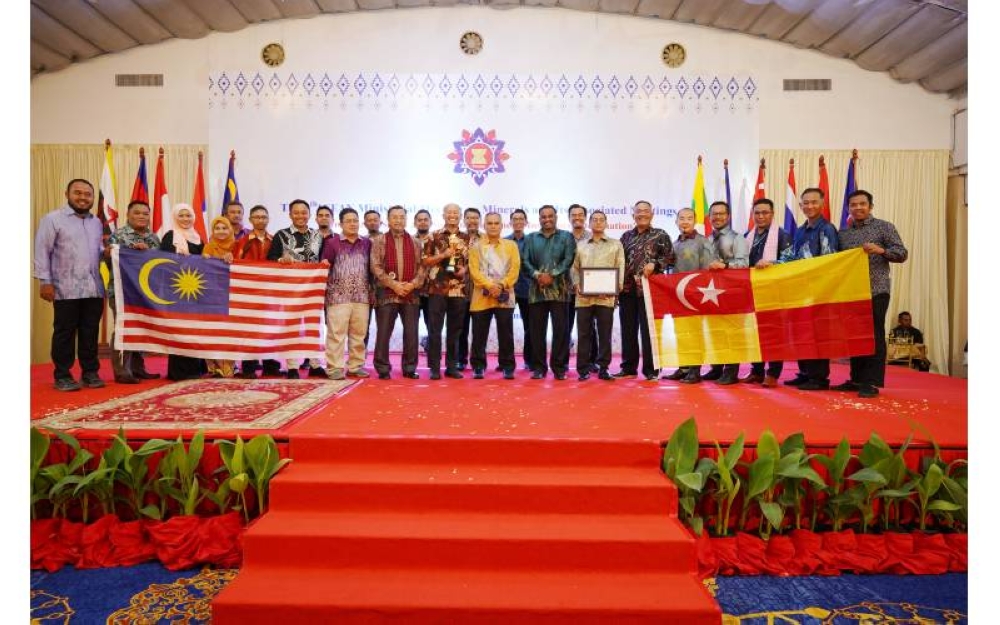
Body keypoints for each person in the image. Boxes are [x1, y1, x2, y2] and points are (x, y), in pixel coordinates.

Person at [833, 190, 909, 397]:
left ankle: (871, 382)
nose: (858, 208)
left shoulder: (884, 227)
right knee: (855, 336)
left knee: (874, 335)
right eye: (853, 205)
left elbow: (902, 253)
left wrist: (881, 250)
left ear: (870, 206)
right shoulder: (844, 234)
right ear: (849, 208)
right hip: (852, 293)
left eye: (862, 204)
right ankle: (857, 379)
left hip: (876, 290)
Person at [34, 179, 108, 391]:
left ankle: (90, 372)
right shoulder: (52, 219)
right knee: (64, 332)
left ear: (93, 198)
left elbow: (98, 249)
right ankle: (63, 375)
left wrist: (107, 252)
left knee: (90, 332)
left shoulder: (96, 222)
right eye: (78, 193)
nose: (83, 197)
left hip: (94, 288)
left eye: (88, 194)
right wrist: (45, 282)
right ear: (67, 193)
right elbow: (42, 251)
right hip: (64, 288)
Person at [785, 187, 841, 391]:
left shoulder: (827, 229)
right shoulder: (800, 230)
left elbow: (829, 260)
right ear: (800, 206)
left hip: (818, 291)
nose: (809, 206)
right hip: (800, 290)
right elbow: (791, 256)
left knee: (817, 334)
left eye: (814, 202)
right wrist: (772, 263)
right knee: (802, 333)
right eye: (805, 203)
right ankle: (805, 372)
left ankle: (819, 377)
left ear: (822, 203)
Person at [267, 199, 326, 378]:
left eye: (304, 212)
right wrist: (280, 260)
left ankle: (315, 364)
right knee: (290, 327)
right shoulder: (280, 235)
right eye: (296, 212)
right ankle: (292, 367)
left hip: (313, 290)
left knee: (314, 327)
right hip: (289, 290)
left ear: (309, 215)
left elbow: (323, 259)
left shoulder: (318, 236)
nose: (300, 215)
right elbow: (270, 260)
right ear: (290, 214)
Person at [105, 200, 161, 384]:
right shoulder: (118, 235)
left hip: (144, 293)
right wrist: (130, 251)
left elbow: (159, 264)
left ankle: (138, 368)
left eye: (145, 213)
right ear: (128, 215)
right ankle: (122, 371)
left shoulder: (154, 238)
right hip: (121, 292)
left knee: (140, 328)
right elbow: (108, 257)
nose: (141, 216)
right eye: (137, 213)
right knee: (124, 329)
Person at [740, 198, 794, 388]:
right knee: (753, 332)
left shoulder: (782, 235)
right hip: (752, 292)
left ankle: (773, 372)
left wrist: (772, 263)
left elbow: (790, 260)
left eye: (765, 213)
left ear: (772, 214)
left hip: (774, 292)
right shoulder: (747, 235)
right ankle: (756, 370)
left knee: (774, 334)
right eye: (757, 213)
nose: (761, 216)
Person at [617, 200, 672, 381]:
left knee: (650, 332)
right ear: (633, 214)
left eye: (645, 211)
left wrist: (655, 263)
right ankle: (628, 367)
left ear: (652, 214)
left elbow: (670, 258)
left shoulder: (660, 235)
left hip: (650, 290)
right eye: (638, 211)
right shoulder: (625, 237)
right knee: (628, 330)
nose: (642, 214)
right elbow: (618, 261)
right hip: (627, 290)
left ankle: (651, 370)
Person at [698, 201, 751, 386]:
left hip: (732, 292)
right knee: (715, 331)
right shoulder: (706, 239)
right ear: (709, 217)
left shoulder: (738, 238)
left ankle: (731, 371)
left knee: (732, 332)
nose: (717, 217)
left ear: (728, 216)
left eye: (721, 214)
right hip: (712, 292)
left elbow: (745, 263)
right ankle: (717, 367)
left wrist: (725, 265)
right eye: (714, 214)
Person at [370, 205, 426, 379]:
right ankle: (383, 368)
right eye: (394, 217)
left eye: (401, 217)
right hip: (387, 293)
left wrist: (413, 284)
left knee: (411, 333)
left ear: (406, 220)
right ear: (388, 220)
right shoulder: (379, 240)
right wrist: (394, 285)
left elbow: (422, 267)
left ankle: (409, 368)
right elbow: (376, 267)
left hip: (411, 294)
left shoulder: (416, 242)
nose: (398, 220)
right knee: (384, 332)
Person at [522, 205, 577, 380]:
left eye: (550, 216)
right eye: (543, 217)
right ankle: (538, 367)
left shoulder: (566, 237)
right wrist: (538, 275)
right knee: (536, 331)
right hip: (536, 292)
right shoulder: (530, 238)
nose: (547, 219)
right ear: (539, 219)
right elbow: (525, 262)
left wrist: (552, 275)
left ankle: (559, 367)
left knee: (561, 331)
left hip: (560, 291)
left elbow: (568, 259)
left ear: (556, 217)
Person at [662, 208, 715, 384]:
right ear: (676, 221)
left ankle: (695, 370)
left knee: (694, 333)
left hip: (695, 296)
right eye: (682, 218)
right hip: (678, 296)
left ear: (695, 221)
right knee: (681, 332)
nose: (685, 221)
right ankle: (684, 367)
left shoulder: (703, 242)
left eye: (689, 218)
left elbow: (706, 271)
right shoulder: (674, 244)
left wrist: (696, 293)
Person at [571, 210, 624, 381]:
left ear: (606, 223)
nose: (598, 223)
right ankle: (583, 369)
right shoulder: (581, 245)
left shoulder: (615, 244)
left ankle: (603, 368)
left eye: (602, 220)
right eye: (595, 220)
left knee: (605, 334)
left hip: (605, 297)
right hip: (583, 297)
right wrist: (576, 284)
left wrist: (615, 288)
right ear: (590, 223)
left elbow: (620, 266)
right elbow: (574, 268)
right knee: (584, 334)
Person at [321, 208, 373, 380]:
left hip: (362, 296)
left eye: (355, 220)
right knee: (336, 334)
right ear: (341, 223)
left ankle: (355, 366)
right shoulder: (332, 243)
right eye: (348, 221)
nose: (353, 224)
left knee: (359, 334)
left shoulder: (367, 243)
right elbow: (324, 268)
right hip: (337, 296)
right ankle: (334, 367)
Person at [469, 212, 521, 380]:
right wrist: (490, 285)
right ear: (484, 226)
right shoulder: (475, 246)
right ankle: (478, 366)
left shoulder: (511, 245)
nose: (492, 226)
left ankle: (507, 367)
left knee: (506, 334)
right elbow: (474, 271)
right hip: (481, 296)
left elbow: (515, 270)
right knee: (478, 334)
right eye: (489, 223)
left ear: (501, 225)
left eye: (496, 223)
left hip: (505, 295)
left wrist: (500, 285)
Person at [422, 203, 471, 380]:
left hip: (458, 289)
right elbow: (426, 261)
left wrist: (465, 269)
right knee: (434, 330)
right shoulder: (433, 236)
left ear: (460, 216)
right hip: (437, 289)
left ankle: (452, 366)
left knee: (455, 330)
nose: (452, 215)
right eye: (449, 212)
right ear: (443, 215)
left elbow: (471, 261)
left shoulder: (467, 238)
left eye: (456, 213)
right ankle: (434, 368)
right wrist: (443, 255)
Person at [159, 203, 207, 381]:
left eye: (188, 216)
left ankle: (197, 368)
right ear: (174, 217)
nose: (185, 219)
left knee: (194, 329)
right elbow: (163, 262)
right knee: (179, 330)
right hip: (177, 290)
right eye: (181, 216)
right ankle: (179, 372)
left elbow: (205, 261)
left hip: (196, 291)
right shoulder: (170, 236)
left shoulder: (198, 238)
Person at [233, 204, 281, 378]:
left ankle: (271, 366)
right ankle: (249, 367)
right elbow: (236, 265)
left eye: (264, 217)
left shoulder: (275, 239)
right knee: (249, 330)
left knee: (271, 328)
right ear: (251, 220)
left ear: (268, 219)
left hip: (270, 292)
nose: (260, 220)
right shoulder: (242, 241)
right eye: (257, 217)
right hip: (250, 293)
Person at [202, 216, 238, 378]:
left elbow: (244, 263)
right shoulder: (209, 247)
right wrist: (206, 261)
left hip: (233, 293)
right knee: (213, 330)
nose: (221, 231)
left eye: (224, 228)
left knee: (231, 330)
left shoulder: (237, 246)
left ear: (230, 229)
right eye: (217, 228)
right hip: (213, 295)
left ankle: (231, 366)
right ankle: (214, 367)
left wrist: (234, 259)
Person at [567, 203, 599, 374]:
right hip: (566, 289)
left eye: (580, 215)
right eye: (574, 215)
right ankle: (563, 361)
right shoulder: (564, 237)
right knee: (565, 326)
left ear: (585, 218)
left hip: (588, 290)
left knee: (589, 327)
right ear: (569, 218)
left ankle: (592, 361)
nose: (577, 217)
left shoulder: (593, 237)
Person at [506, 209, 537, 372]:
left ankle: (529, 360)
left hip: (528, 289)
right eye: (514, 219)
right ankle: (505, 362)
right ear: (510, 223)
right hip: (507, 289)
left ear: (526, 222)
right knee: (505, 327)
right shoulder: (504, 242)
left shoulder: (532, 240)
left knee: (530, 327)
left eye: (521, 219)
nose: (518, 221)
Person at [455, 207, 482, 372]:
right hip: (460, 290)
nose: (472, 221)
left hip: (480, 291)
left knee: (479, 329)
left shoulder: (486, 239)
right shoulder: (457, 239)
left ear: (480, 220)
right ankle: (460, 359)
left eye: (475, 218)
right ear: (463, 220)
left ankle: (478, 362)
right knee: (460, 328)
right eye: (469, 218)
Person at [413, 209, 434, 355]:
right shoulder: (408, 240)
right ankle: (411, 357)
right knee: (411, 326)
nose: (423, 222)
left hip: (432, 291)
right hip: (412, 291)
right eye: (419, 220)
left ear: (431, 222)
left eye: (425, 219)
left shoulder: (438, 240)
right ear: (415, 223)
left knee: (432, 325)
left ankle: (433, 358)